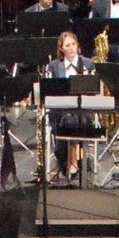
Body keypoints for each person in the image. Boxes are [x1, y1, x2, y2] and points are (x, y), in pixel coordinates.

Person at [46, 31, 97, 181]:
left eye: (73, 44)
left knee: (73, 118)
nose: (71, 48)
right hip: (61, 111)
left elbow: (94, 92)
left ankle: (71, 161)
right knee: (68, 118)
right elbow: (50, 92)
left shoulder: (87, 63)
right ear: (61, 48)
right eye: (67, 45)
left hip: (83, 111)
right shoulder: (54, 66)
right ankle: (76, 158)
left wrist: (86, 80)